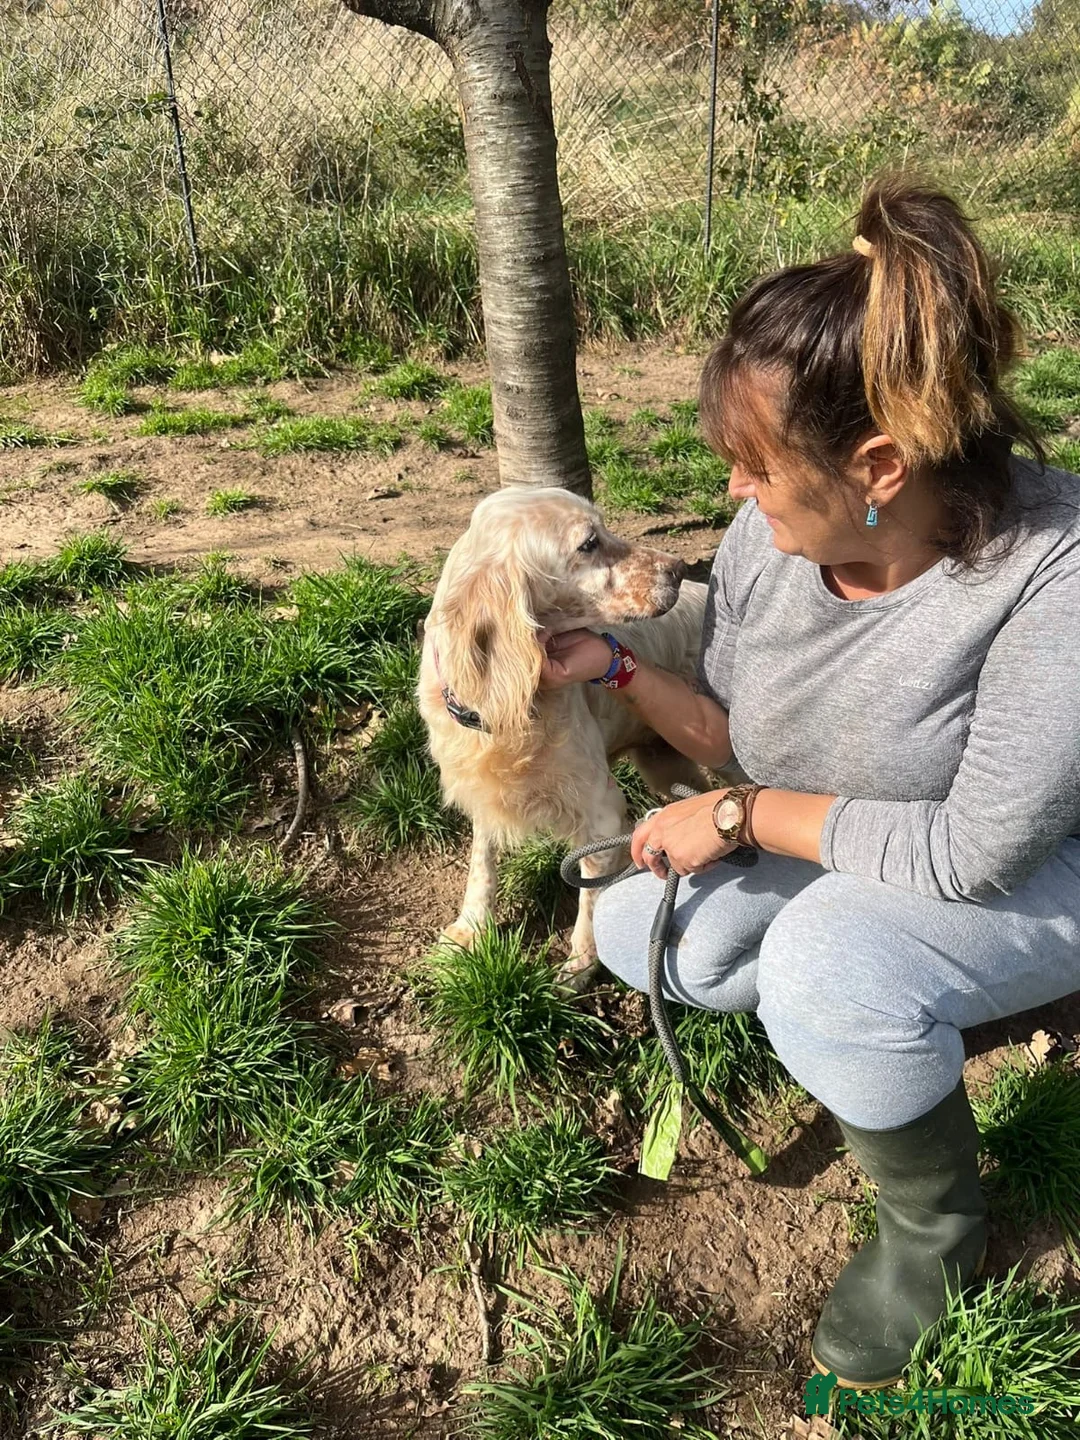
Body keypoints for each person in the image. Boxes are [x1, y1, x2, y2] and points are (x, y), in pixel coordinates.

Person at [538, 175, 1080, 1390]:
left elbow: (974, 852)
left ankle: (937, 1233)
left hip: (1044, 859)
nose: (733, 494)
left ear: (877, 465)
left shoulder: (1054, 576)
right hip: (870, 835)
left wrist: (737, 819)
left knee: (831, 964)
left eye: (755, 468)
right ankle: (908, 1019)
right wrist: (617, 667)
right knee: (642, 925)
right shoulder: (774, 547)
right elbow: (745, 737)